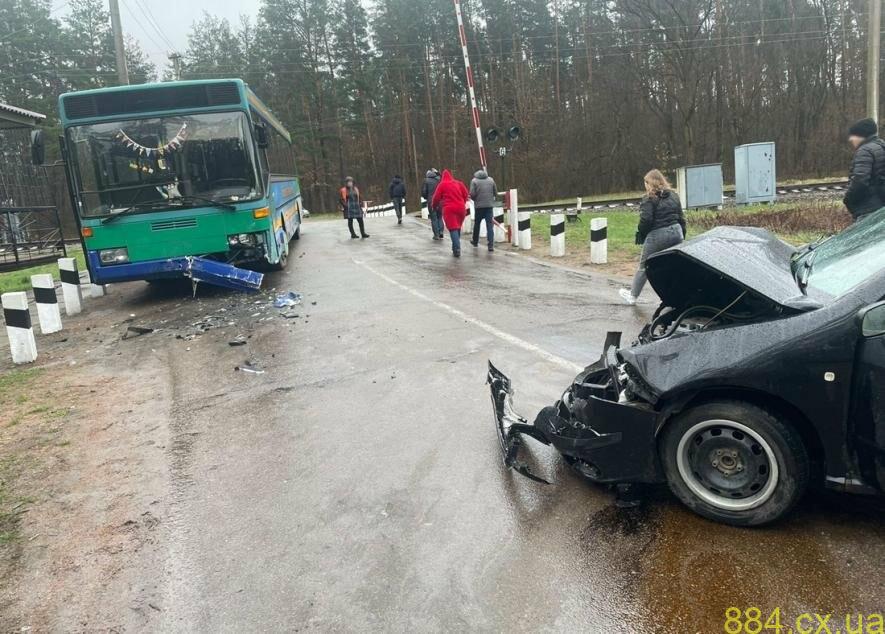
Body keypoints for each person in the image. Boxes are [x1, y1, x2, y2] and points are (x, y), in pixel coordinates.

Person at [619, 169, 685, 305]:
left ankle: (633, 296)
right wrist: (682, 235)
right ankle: (673, 297)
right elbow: (681, 218)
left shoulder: (649, 198)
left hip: (658, 234)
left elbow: (646, 220)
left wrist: (642, 234)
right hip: (676, 232)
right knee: (672, 266)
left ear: (649, 183)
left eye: (646, 183)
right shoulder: (674, 195)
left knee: (644, 266)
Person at [843, 117, 885, 221]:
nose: (850, 139)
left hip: (868, 208)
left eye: (853, 135)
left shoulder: (865, 151)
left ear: (861, 135)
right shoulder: (882, 146)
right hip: (881, 206)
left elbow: (860, 180)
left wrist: (848, 200)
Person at [431, 169, 470, 257]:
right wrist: (462, 202)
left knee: (453, 228)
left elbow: (436, 198)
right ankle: (455, 247)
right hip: (461, 208)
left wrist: (434, 206)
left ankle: (457, 249)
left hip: (449, 209)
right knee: (457, 227)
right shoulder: (459, 183)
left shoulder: (442, 185)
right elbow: (466, 194)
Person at [469, 168, 498, 251]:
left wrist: (475, 200)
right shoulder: (491, 180)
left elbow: (472, 194)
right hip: (489, 206)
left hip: (479, 206)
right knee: (489, 225)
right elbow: (495, 192)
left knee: (477, 224)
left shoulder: (474, 181)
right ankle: (490, 245)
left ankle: (475, 241)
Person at [421, 168, 443, 240]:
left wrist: (426, 197)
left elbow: (424, 192)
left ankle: (436, 235)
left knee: (434, 218)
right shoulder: (439, 180)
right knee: (440, 217)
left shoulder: (426, 181)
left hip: (431, 201)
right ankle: (441, 232)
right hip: (440, 201)